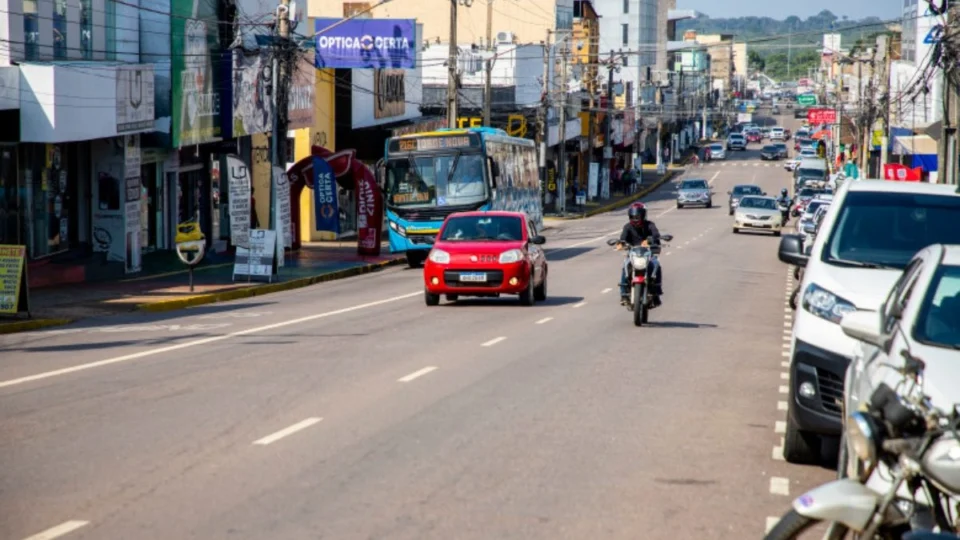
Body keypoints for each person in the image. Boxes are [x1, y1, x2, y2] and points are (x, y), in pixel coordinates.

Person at [616, 203, 663, 306]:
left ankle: (657, 293)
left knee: (656, 265)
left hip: (648, 254)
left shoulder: (650, 225)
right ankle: (624, 294)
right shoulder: (627, 227)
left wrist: (650, 241)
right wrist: (620, 244)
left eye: (638, 217)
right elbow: (623, 238)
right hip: (633, 254)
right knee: (625, 266)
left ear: (643, 215)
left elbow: (656, 235)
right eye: (633, 217)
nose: (635, 219)